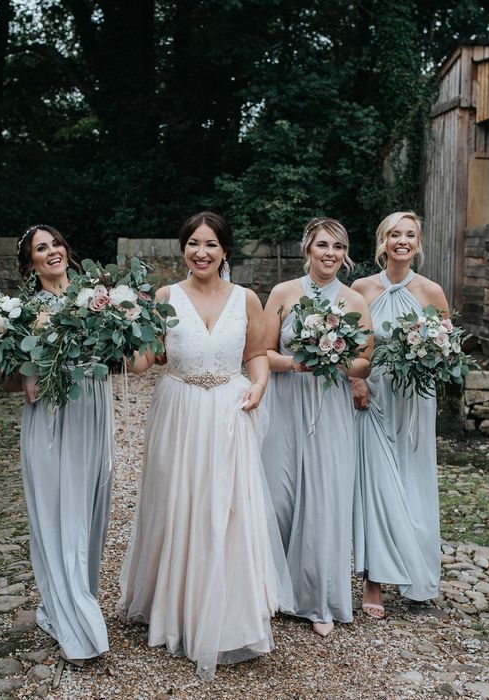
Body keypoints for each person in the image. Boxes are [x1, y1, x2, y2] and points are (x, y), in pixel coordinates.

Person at [118, 211, 292, 679]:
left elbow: (256, 354)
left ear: (225, 251)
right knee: (180, 503)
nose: (201, 252)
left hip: (229, 410)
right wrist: (117, 331)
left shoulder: (247, 298)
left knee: (228, 506)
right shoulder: (165, 296)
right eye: (193, 243)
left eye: (211, 244)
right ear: (183, 248)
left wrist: (258, 387)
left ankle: (229, 609)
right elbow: (146, 358)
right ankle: (178, 607)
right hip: (179, 408)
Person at [261, 217, 372, 637]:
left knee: (325, 498)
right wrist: (297, 361)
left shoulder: (354, 300)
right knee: (279, 494)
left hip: (330, 406)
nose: (331, 253)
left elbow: (365, 361)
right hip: (286, 400)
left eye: (339, 247)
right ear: (307, 248)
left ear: (345, 256)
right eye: (323, 245)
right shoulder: (283, 293)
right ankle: (271, 590)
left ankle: (317, 598)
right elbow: (261, 353)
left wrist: (336, 359)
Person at [15, 224, 113, 666]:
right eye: (41, 248)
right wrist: (28, 370)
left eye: (56, 243)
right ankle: (75, 620)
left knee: (90, 507)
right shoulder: (24, 309)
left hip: (92, 405)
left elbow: (122, 351)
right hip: (52, 411)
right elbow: (21, 368)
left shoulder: (100, 293)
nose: (52, 251)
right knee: (58, 509)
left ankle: (72, 600)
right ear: (30, 262)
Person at [350, 211, 448, 617]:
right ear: (383, 242)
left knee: (415, 483)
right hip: (373, 394)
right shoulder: (360, 289)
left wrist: (431, 359)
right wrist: (355, 381)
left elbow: (447, 349)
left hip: (415, 400)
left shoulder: (431, 292)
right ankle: (373, 579)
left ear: (418, 243)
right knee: (375, 484)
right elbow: (349, 344)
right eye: (395, 234)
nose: (402, 240)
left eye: (410, 234)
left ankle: (418, 576)